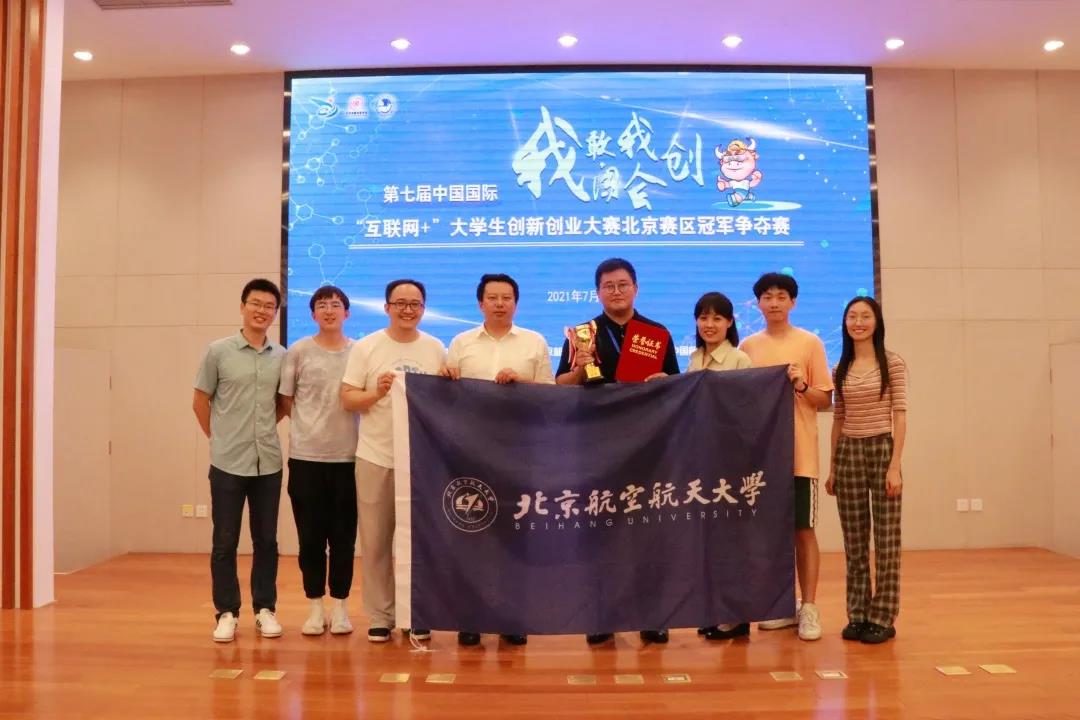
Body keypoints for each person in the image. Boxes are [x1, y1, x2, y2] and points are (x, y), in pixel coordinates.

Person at [555, 258, 680, 646]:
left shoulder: (656, 333)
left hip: (647, 444)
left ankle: (652, 616)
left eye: (623, 284)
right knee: (600, 531)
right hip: (598, 444)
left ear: (635, 288)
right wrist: (581, 368)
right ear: (598, 292)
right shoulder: (583, 333)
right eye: (608, 286)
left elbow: (677, 385)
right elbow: (561, 385)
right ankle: (600, 615)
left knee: (648, 532)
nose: (616, 291)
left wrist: (663, 380)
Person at [442, 273, 553, 647]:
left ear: (516, 303)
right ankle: (470, 617)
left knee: (515, 535)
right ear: (480, 303)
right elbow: (446, 396)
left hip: (520, 451)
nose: (500, 303)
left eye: (507, 297)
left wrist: (522, 382)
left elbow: (550, 395)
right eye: (493, 297)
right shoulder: (461, 343)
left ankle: (512, 617)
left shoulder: (534, 342)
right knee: (471, 536)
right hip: (470, 452)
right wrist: (445, 377)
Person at [340, 279, 446, 643]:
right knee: (375, 541)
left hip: (422, 461)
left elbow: (444, 401)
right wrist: (376, 392)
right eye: (400, 303)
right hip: (376, 456)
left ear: (424, 309)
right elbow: (348, 399)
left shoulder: (436, 348)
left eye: (415, 304)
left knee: (420, 542)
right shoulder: (367, 347)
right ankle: (381, 615)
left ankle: (417, 612)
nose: (407, 310)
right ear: (387, 307)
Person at [192, 278, 287, 643]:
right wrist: (219, 438)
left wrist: (260, 430)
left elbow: (282, 405)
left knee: (266, 541)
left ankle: (265, 609)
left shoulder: (281, 356)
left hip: (268, 463)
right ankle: (227, 612)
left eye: (269, 306)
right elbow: (200, 401)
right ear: (243, 306)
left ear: (275, 313)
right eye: (256, 303)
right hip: (227, 463)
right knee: (224, 541)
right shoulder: (218, 351)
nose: (262, 311)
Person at [739, 272, 832, 641]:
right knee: (768, 534)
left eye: (781, 296)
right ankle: (782, 605)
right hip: (760, 458)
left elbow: (824, 399)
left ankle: (809, 606)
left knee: (802, 530)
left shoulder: (809, 343)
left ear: (792, 302)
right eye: (767, 296)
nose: (774, 303)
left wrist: (800, 384)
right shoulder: (747, 346)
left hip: (799, 454)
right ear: (758, 303)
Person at [826, 296, 907, 644]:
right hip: (849, 452)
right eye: (852, 317)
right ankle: (858, 614)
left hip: (882, 449)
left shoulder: (893, 363)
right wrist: (833, 466)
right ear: (845, 323)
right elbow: (839, 419)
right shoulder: (839, 368)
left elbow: (900, 415)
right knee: (854, 541)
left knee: (886, 539)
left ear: (877, 322)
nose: (858, 322)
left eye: (865, 316)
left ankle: (882, 616)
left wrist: (895, 466)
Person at [278, 285, 359, 637]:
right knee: (310, 539)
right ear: (312, 314)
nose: (329, 310)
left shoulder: (359, 352)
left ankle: (340, 608)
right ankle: (314, 607)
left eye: (336, 305)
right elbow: (285, 400)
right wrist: (309, 428)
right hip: (306, 458)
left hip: (349, 459)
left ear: (347, 313)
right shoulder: (298, 351)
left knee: (343, 539)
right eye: (322, 305)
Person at [685, 292, 754, 641]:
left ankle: (736, 615)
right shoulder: (694, 359)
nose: (709, 324)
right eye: (703, 318)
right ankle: (715, 610)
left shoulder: (740, 360)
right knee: (708, 540)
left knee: (732, 541)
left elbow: (748, 411)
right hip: (701, 461)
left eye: (717, 318)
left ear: (729, 322)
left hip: (730, 461)